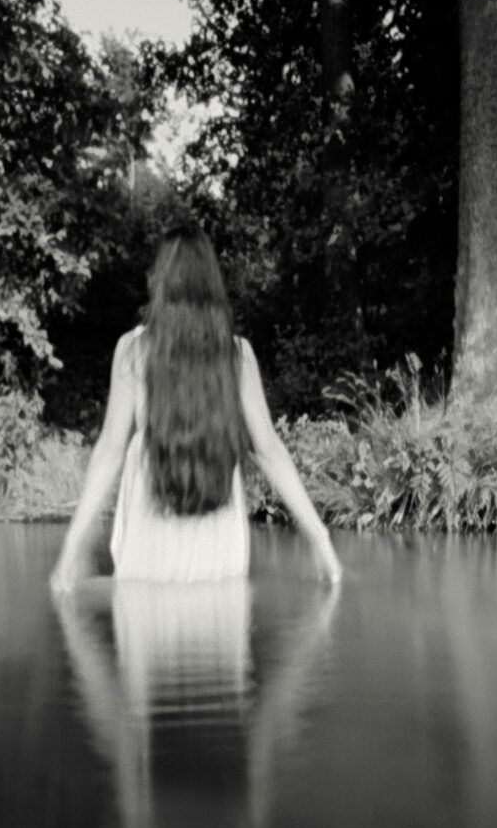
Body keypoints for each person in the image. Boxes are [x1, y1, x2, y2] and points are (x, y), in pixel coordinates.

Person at [50, 224, 342, 591]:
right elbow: (269, 451)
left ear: (161, 280)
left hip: (149, 524)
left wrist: (70, 550)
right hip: (218, 532)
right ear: (211, 284)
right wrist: (320, 540)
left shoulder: (134, 351)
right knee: (215, 623)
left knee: (144, 614)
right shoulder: (236, 355)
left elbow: (110, 450)